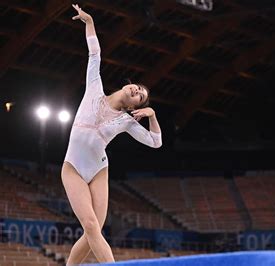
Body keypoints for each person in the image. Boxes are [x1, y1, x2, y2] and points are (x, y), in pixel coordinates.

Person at [61, 4, 162, 264]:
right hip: (72, 167)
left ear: (133, 107)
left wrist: (152, 116)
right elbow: (94, 53)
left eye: (141, 97)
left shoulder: (126, 122)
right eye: (138, 88)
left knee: (92, 231)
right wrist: (89, 22)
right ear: (127, 85)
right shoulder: (95, 87)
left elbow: (156, 142)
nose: (137, 92)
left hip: (99, 170)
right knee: (92, 226)